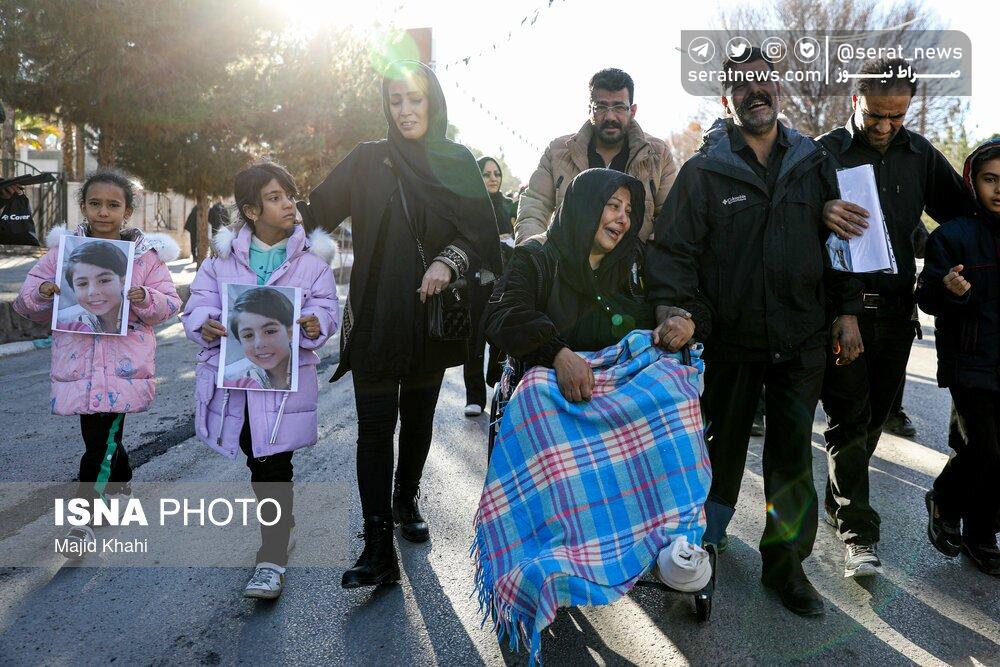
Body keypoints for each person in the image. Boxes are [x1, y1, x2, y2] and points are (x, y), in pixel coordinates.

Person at [645, 48, 860, 617]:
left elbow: (842, 240)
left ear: (778, 89)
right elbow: (673, 253)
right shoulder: (704, 171)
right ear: (726, 100)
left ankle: (786, 566)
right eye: (740, 85)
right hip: (732, 342)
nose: (753, 91)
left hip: (802, 337)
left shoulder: (813, 161)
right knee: (719, 452)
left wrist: (846, 311)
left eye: (762, 80)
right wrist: (679, 313)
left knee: (791, 459)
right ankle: (701, 549)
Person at [479, 168, 710, 660]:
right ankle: (549, 551)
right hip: (560, 386)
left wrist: (684, 321)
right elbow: (500, 314)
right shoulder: (537, 257)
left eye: (629, 210)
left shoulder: (637, 262)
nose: (622, 219)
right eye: (612, 206)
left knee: (676, 388)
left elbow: (686, 302)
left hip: (621, 385)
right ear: (586, 207)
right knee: (533, 394)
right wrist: (556, 352)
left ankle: (673, 535)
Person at [296, 60, 502, 589]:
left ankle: (406, 496)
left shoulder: (456, 162)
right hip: (374, 318)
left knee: (417, 419)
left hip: (429, 320)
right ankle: (377, 545)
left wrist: (448, 262)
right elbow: (313, 213)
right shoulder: (367, 159)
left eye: (415, 99)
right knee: (373, 430)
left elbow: (481, 236)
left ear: (432, 102)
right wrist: (256, 218)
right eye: (396, 101)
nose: (406, 110)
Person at [817, 57, 971, 578]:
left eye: (896, 116)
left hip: (897, 312)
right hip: (842, 311)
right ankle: (858, 534)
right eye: (875, 115)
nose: (885, 127)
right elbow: (795, 229)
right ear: (854, 101)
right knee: (847, 419)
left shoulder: (920, 154)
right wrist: (821, 213)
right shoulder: (823, 153)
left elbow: (963, 216)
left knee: (873, 420)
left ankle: (841, 498)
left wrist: (950, 270)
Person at [184, 160, 339, 599]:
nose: (288, 204)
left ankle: (271, 557)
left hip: (284, 387)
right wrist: (206, 322)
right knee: (258, 462)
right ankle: (281, 524)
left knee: (275, 465)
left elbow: (327, 308)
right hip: (236, 387)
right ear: (251, 211)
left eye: (290, 195)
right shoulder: (221, 262)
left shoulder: (312, 264)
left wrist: (316, 323)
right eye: (275, 197)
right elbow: (198, 303)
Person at [13, 169, 181, 556]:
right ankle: (119, 476)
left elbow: (170, 304)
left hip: (123, 367)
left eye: (113, 205)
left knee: (99, 442)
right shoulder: (63, 254)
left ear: (127, 211)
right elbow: (27, 302)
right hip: (80, 363)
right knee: (99, 438)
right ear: (84, 206)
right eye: (95, 204)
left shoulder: (145, 259)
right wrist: (42, 292)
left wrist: (143, 297)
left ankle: (83, 520)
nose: (103, 212)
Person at [916, 138, 1000, 576]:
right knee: (985, 449)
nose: (999, 190)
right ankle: (952, 507)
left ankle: (978, 532)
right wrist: (947, 289)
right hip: (970, 361)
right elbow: (926, 297)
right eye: (990, 179)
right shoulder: (952, 236)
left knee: (989, 453)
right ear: (973, 182)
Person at [514, 68, 676, 244]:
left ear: (633, 110)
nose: (610, 116)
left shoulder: (658, 155)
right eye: (601, 107)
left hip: (637, 259)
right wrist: (532, 253)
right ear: (589, 109)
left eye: (619, 107)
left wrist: (649, 258)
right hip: (567, 259)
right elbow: (534, 207)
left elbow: (671, 219)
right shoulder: (557, 152)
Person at [463, 156, 515, 416]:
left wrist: (509, 243)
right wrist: (497, 242)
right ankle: (474, 397)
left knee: (500, 336)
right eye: (486, 174)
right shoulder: (469, 205)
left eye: (496, 173)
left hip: (504, 282)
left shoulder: (509, 205)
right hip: (476, 281)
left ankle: (497, 386)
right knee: (474, 339)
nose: (493, 178)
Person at [223, 287, 296, 391]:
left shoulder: (305, 368)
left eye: (270, 331)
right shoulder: (232, 379)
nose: (259, 343)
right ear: (240, 341)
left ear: (290, 332)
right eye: (248, 335)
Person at [56, 239, 130, 334]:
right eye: (82, 284)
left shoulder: (138, 313)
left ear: (123, 281)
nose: (92, 292)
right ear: (73, 288)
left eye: (104, 281)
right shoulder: (65, 322)